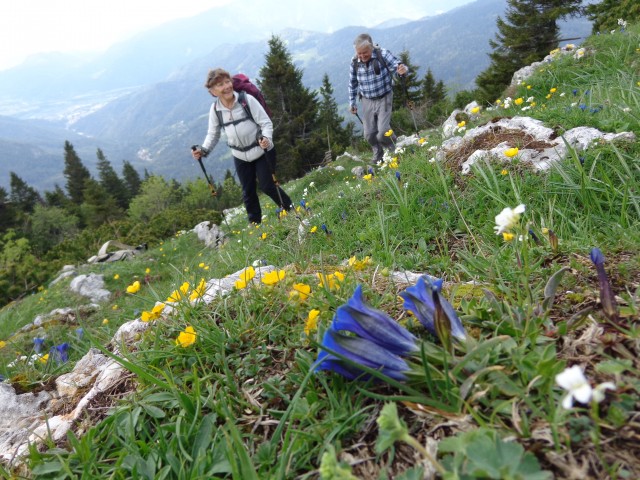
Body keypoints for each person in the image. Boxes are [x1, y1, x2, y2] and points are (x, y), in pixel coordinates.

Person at [192, 68, 292, 224]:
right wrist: (203, 150)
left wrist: (266, 139)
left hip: (262, 150)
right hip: (240, 156)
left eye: (227, 81)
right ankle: (255, 225)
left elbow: (265, 123)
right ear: (212, 91)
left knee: (267, 185)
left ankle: (292, 209)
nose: (226, 87)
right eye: (220, 85)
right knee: (248, 192)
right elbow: (213, 134)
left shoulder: (247, 100)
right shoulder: (216, 109)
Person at [348, 33, 408, 163]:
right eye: (359, 53)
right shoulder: (354, 62)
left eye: (365, 52)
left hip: (384, 97)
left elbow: (398, 66)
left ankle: (393, 150)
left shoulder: (382, 54)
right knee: (369, 134)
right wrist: (352, 102)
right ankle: (378, 154)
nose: (362, 56)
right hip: (366, 99)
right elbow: (352, 83)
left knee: (383, 131)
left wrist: (402, 70)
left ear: (371, 47)